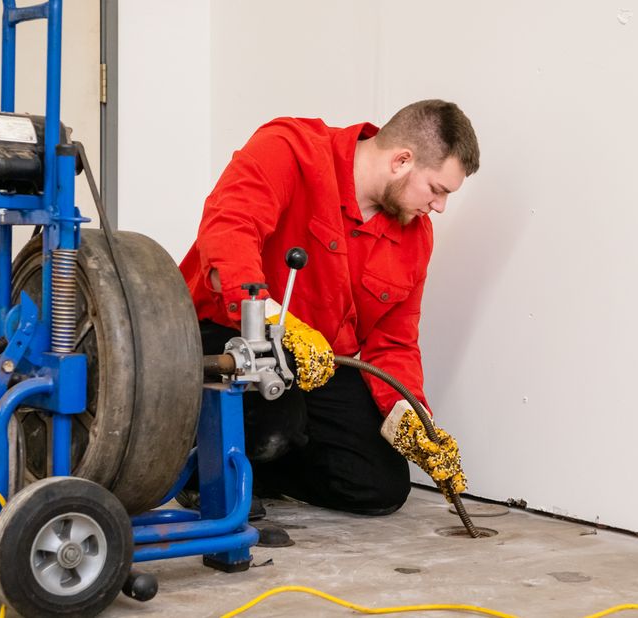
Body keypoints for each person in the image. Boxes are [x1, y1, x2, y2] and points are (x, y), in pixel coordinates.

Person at [180, 99, 480, 515]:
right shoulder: (288, 149)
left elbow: (394, 342)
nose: (440, 206)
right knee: (275, 420)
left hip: (319, 362)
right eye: (437, 189)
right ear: (402, 161)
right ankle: (202, 470)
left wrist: (412, 417)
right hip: (229, 337)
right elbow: (227, 238)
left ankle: (258, 470)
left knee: (379, 485)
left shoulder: (415, 236)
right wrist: (272, 319)